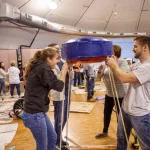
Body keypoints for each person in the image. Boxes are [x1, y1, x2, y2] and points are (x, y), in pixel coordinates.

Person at [106, 36, 150, 150]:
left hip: (140, 113)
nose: (132, 49)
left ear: (145, 47)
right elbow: (123, 73)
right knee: (121, 139)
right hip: (126, 109)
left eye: (135, 46)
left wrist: (114, 65)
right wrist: (114, 64)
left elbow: (124, 78)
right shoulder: (137, 64)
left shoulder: (148, 67)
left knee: (146, 145)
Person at [21, 47, 68, 150]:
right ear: (48, 59)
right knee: (42, 145)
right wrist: (64, 71)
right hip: (34, 114)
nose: (58, 61)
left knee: (52, 137)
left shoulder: (39, 66)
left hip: (37, 112)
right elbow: (59, 86)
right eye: (56, 58)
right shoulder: (43, 68)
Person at [95, 45, 129, 139]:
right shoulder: (106, 63)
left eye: (110, 51)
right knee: (106, 113)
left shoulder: (122, 62)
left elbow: (121, 75)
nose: (108, 53)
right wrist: (99, 71)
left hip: (120, 94)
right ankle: (104, 131)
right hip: (109, 94)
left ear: (116, 52)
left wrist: (113, 65)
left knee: (120, 115)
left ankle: (121, 135)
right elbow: (98, 79)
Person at [48, 43, 73, 149]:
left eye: (59, 49)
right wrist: (64, 70)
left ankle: (58, 137)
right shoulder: (51, 65)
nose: (58, 50)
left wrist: (70, 69)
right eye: (56, 49)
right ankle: (56, 142)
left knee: (65, 117)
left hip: (67, 92)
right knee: (59, 119)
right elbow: (55, 81)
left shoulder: (62, 62)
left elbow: (71, 77)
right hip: (59, 95)